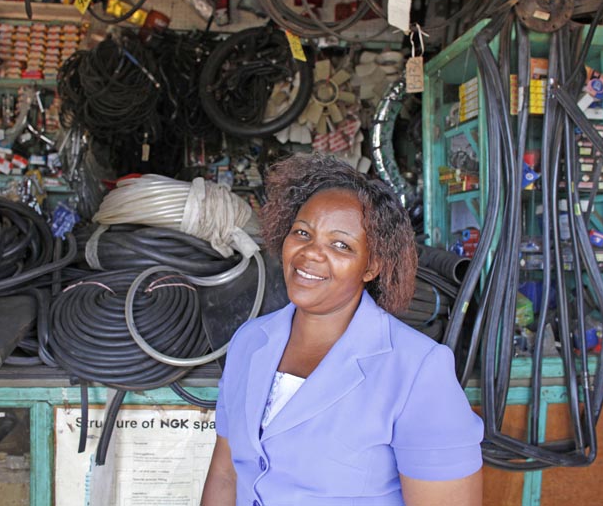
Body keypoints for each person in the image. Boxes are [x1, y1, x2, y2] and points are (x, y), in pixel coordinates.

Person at [201, 153, 483, 506]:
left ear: (371, 266)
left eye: (340, 245)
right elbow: (226, 474)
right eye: (302, 233)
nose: (310, 253)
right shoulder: (250, 341)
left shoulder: (417, 370)